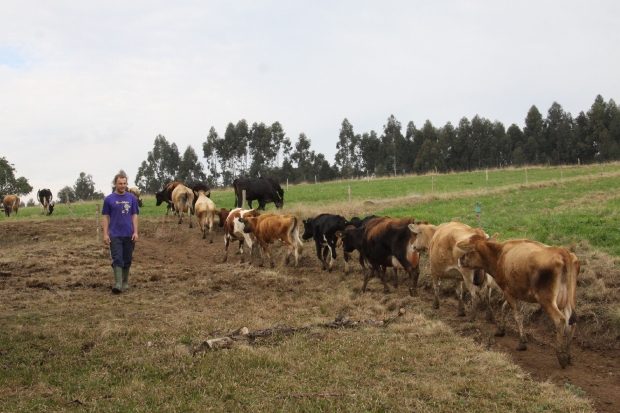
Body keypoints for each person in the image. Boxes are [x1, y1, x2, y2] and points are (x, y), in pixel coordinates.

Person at [102, 173, 139, 294]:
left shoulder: (132, 198)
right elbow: (106, 217)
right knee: (117, 258)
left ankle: (125, 283)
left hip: (129, 234)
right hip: (115, 234)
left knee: (127, 258)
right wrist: (105, 234)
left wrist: (135, 232)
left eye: (124, 183)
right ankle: (117, 284)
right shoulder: (109, 199)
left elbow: (134, 216)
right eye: (120, 183)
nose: (123, 186)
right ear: (115, 184)